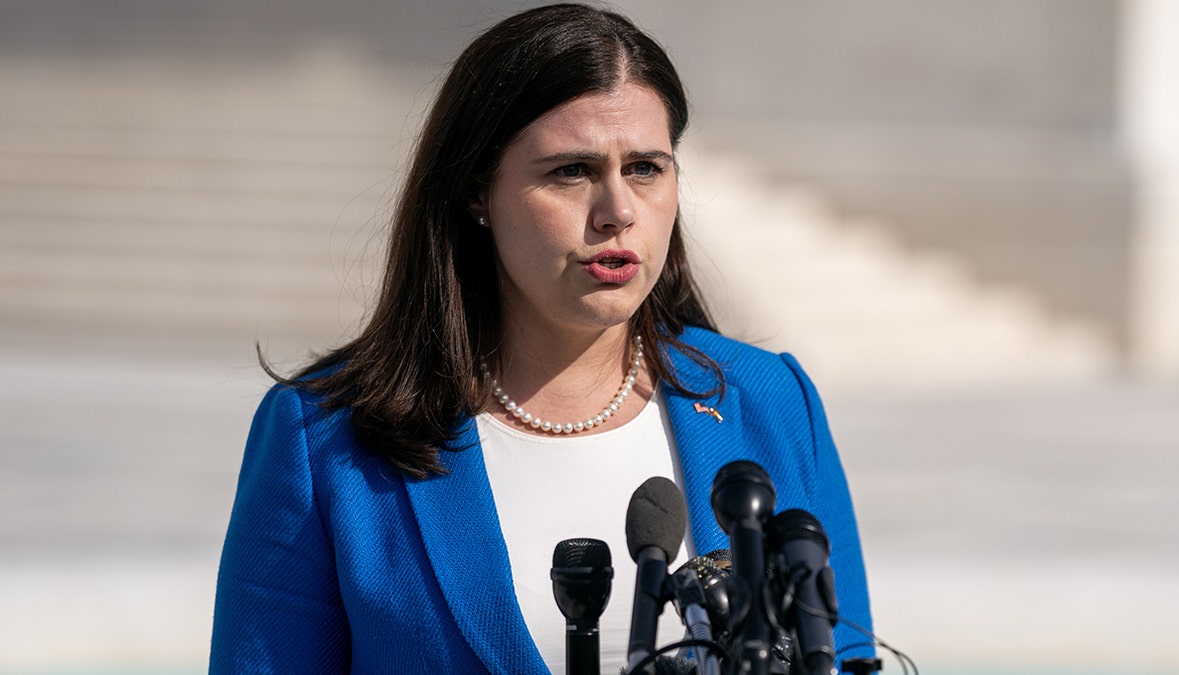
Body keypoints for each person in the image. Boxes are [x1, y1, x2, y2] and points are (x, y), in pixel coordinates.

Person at [209, 4, 873, 674]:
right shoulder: (325, 439)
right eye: (570, 171)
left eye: (645, 167)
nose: (618, 211)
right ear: (475, 190)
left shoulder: (771, 402)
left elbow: (844, 655)